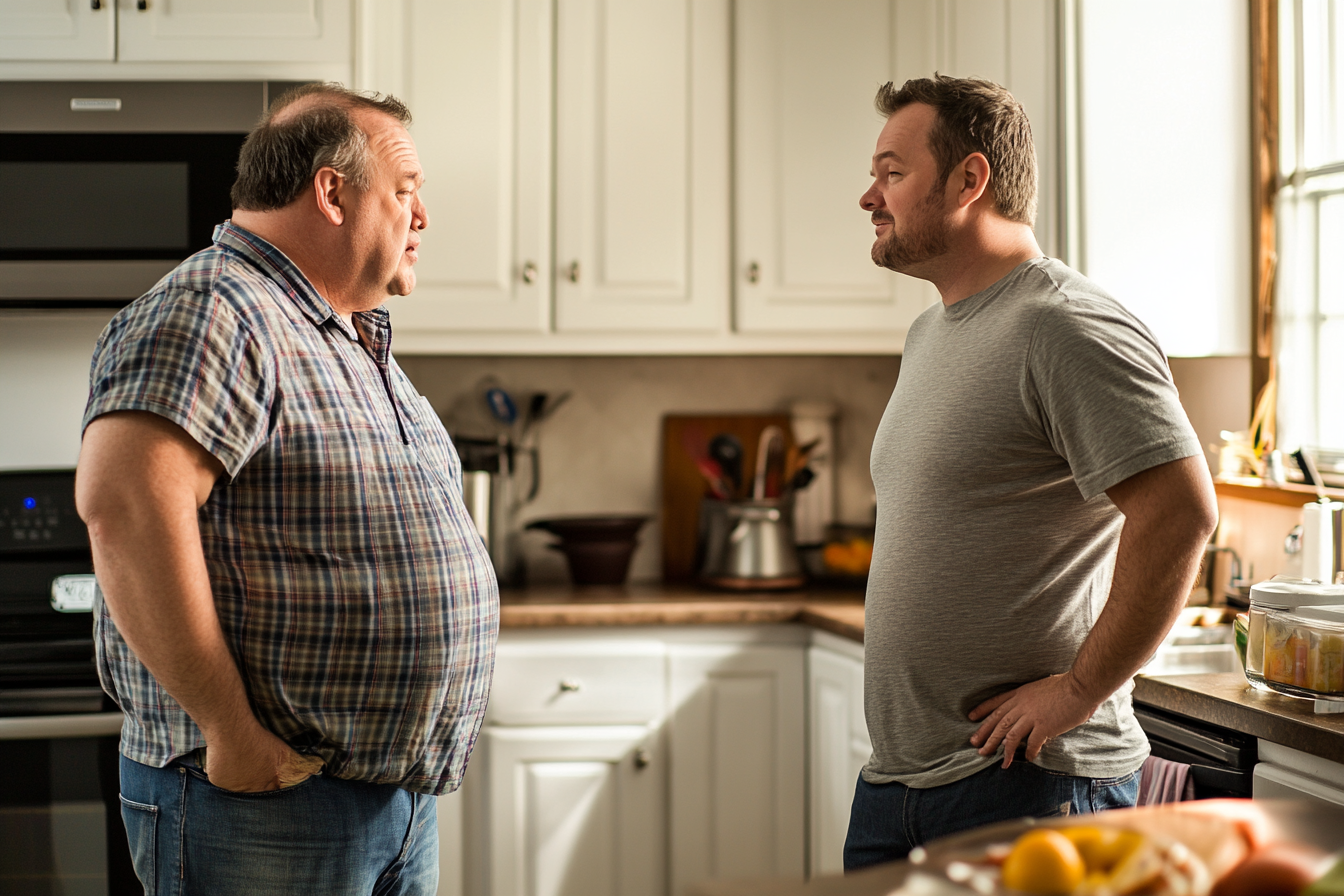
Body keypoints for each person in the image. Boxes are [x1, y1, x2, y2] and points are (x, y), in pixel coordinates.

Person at [75, 83, 499, 895]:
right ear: (332, 192)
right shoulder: (218, 307)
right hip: (261, 802)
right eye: (405, 191)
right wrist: (230, 731)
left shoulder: (336, 331)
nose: (423, 217)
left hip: (380, 802)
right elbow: (124, 509)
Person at [844, 74, 1218, 870]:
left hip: (1028, 783)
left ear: (970, 180)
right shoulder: (932, 332)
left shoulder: (1064, 324)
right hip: (902, 785)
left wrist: (1078, 692)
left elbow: (1182, 511)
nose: (869, 196)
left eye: (892, 172)